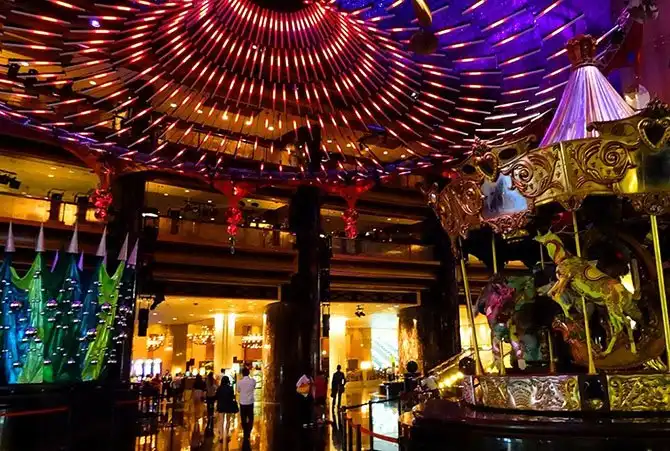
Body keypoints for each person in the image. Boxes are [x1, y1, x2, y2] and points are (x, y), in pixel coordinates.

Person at [215, 376, 238, 444]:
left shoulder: (219, 388)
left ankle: (221, 436)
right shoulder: (230, 388)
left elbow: (216, 397)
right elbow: (232, 397)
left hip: (221, 406)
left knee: (221, 421)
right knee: (228, 421)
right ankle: (227, 434)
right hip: (228, 406)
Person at [237, 366, 256, 439]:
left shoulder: (239, 382)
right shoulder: (253, 381)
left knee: (243, 417)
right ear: (248, 373)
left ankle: (245, 430)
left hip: (242, 402)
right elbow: (254, 387)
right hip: (250, 402)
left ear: (242, 374)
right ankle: (249, 431)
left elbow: (238, 390)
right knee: (251, 417)